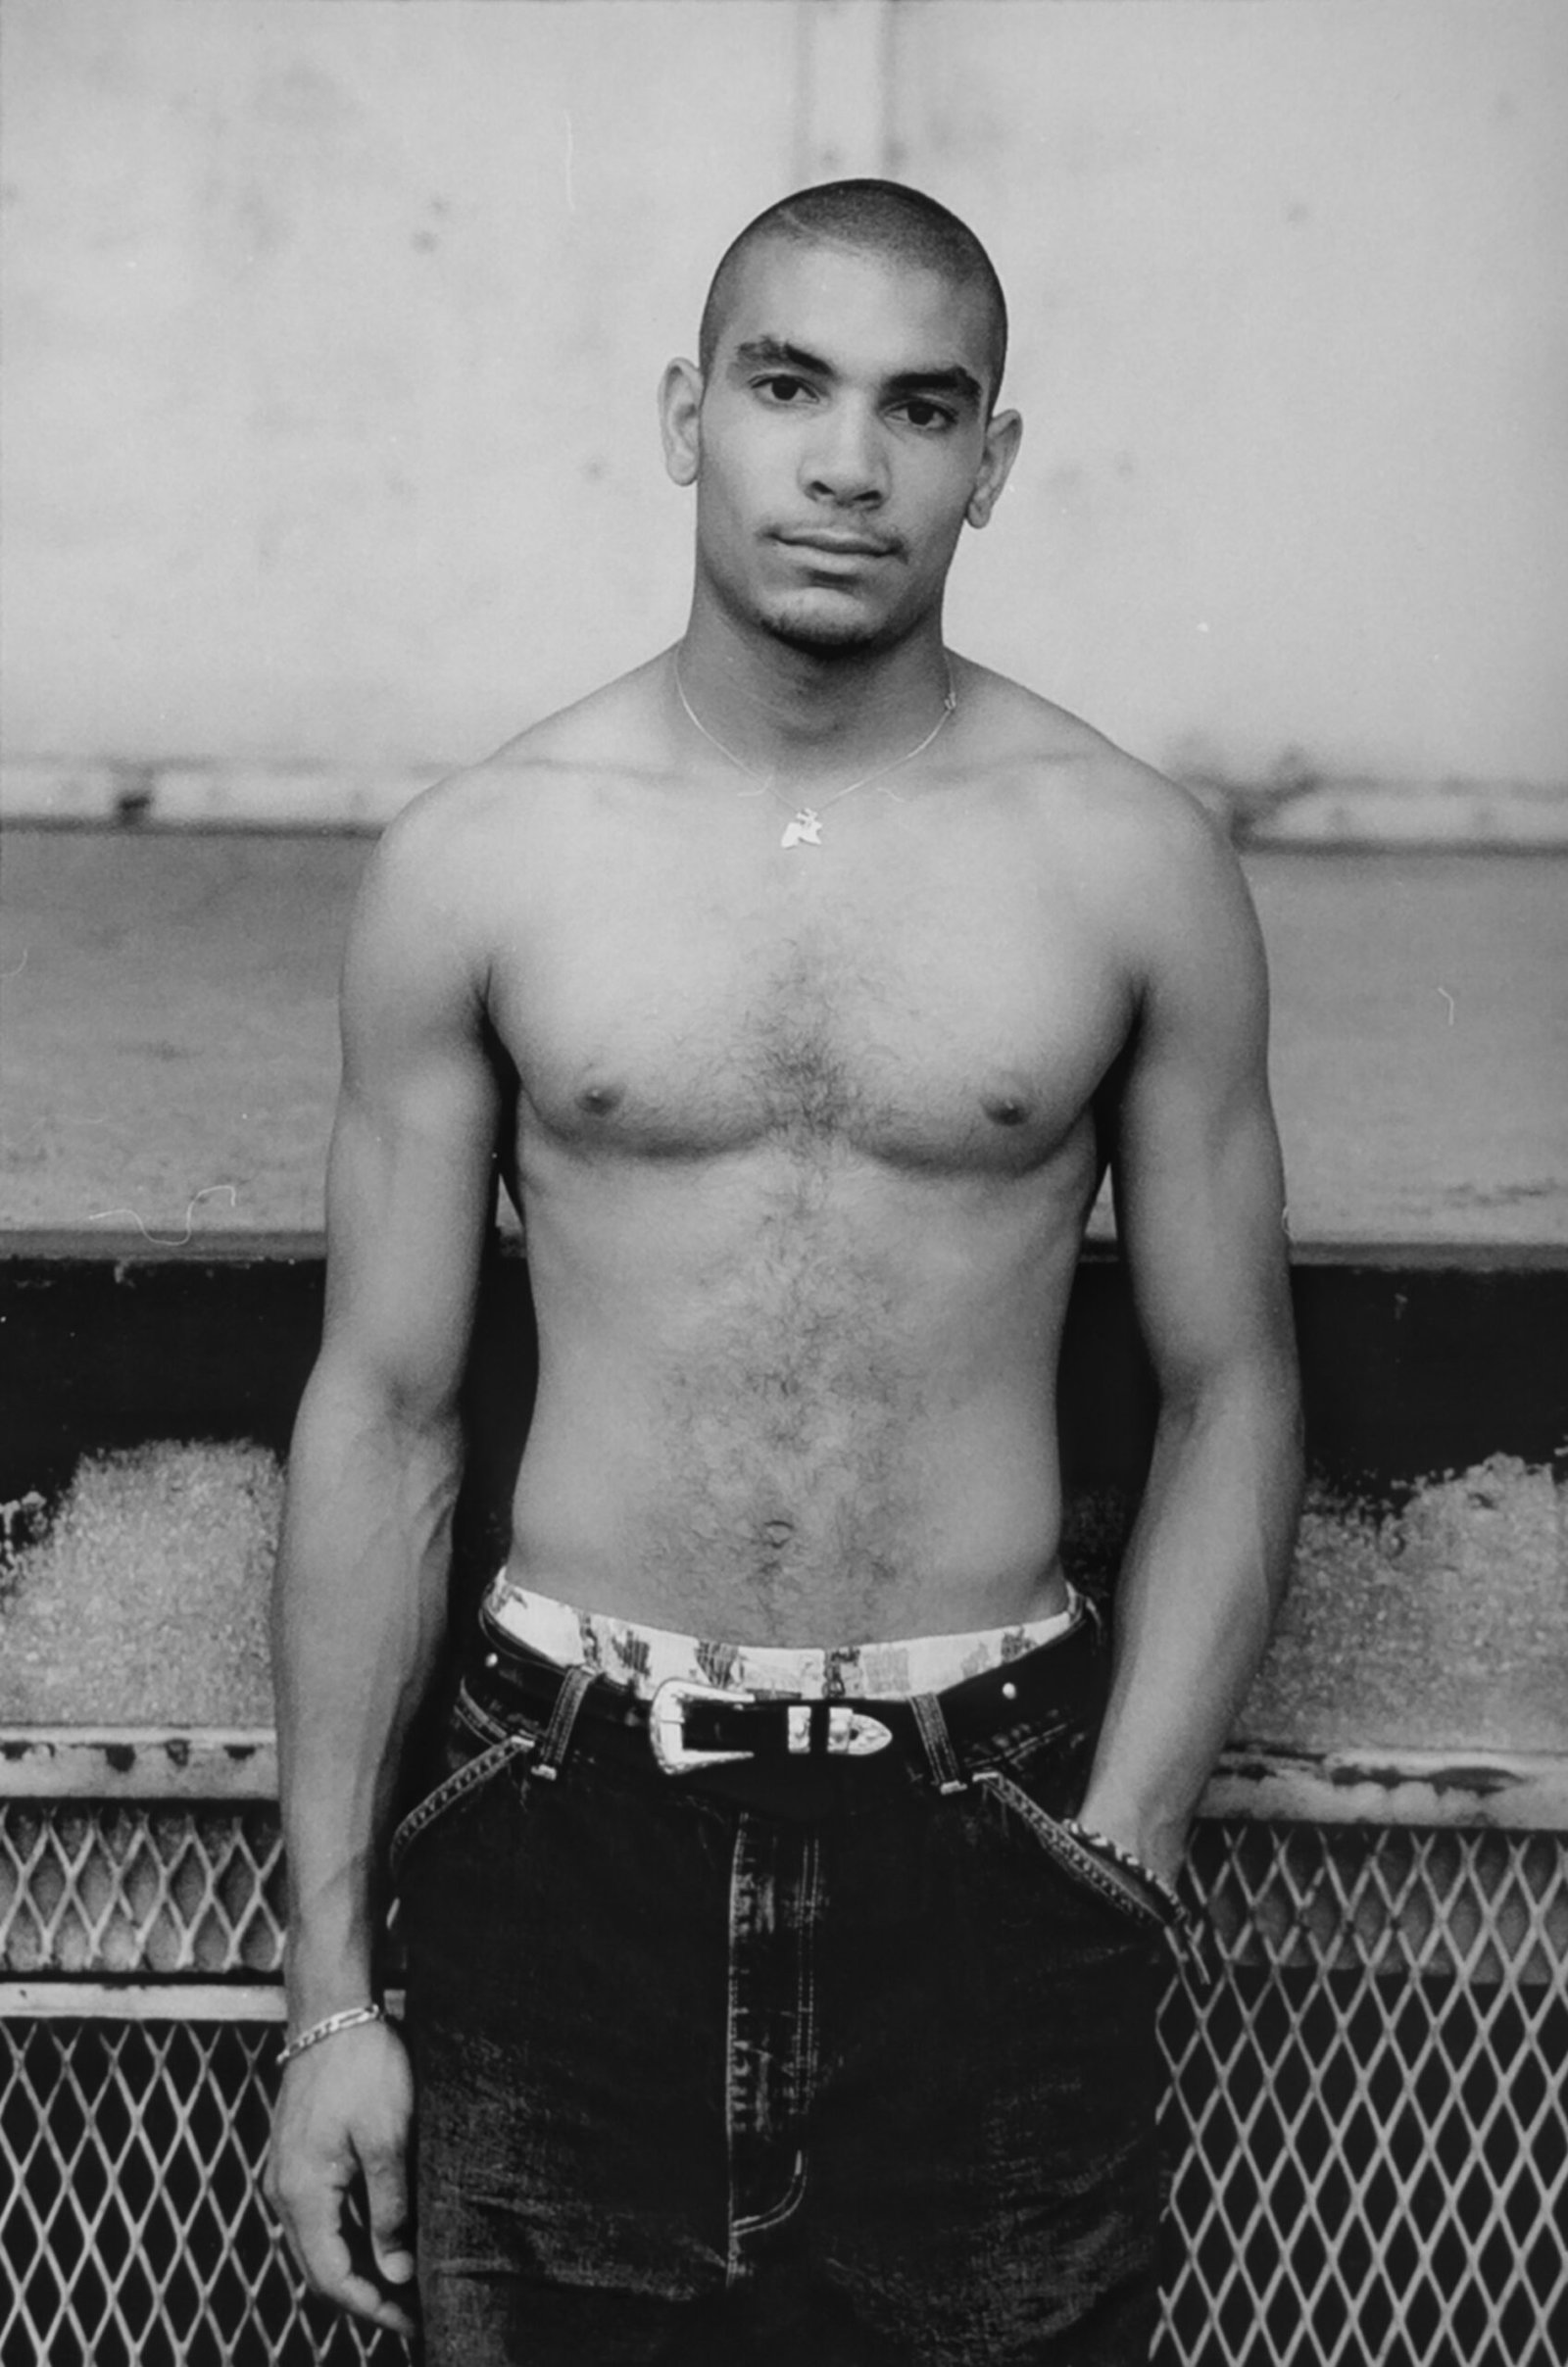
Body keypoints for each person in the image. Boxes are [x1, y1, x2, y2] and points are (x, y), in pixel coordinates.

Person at [265, 178, 1302, 2364]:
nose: (847, 462)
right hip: (565, 1831)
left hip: (990, 1833)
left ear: (990, 463)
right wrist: (333, 1995)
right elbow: (385, 1407)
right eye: (786, 386)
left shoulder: (1128, 862)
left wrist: (1120, 1847)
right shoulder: (481, 858)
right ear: (686, 418)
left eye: (919, 408)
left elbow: (1232, 1386)